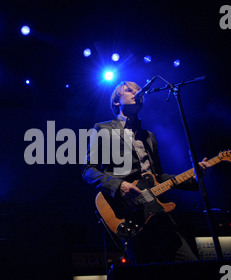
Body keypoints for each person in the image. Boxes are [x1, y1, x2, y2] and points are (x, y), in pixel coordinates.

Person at [82, 80, 210, 264]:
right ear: (116, 102)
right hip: (129, 213)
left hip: (158, 213)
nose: (136, 92)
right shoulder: (102, 129)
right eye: (129, 90)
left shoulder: (149, 136)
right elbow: (88, 170)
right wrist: (119, 186)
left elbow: (159, 177)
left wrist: (194, 177)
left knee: (189, 266)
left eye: (137, 89)